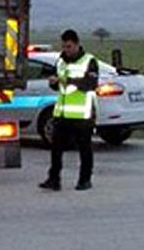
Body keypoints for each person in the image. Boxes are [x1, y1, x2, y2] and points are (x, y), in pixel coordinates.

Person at [39, 29, 99, 192]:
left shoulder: (89, 61)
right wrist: (53, 82)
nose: (66, 50)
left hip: (82, 114)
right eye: (64, 46)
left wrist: (67, 80)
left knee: (84, 149)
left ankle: (84, 180)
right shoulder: (61, 61)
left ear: (77, 45)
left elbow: (91, 84)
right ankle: (54, 179)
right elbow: (56, 83)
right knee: (56, 149)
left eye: (69, 46)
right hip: (62, 113)